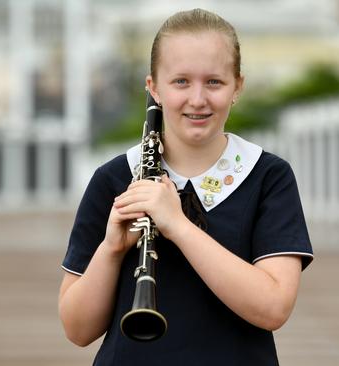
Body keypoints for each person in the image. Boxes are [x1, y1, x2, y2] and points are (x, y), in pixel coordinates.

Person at [58, 8, 313, 366]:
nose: (197, 99)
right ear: (154, 88)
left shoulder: (268, 176)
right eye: (181, 82)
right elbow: (77, 328)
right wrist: (112, 249)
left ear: (237, 86)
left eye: (214, 82)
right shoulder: (115, 178)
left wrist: (176, 225)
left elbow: (273, 307)